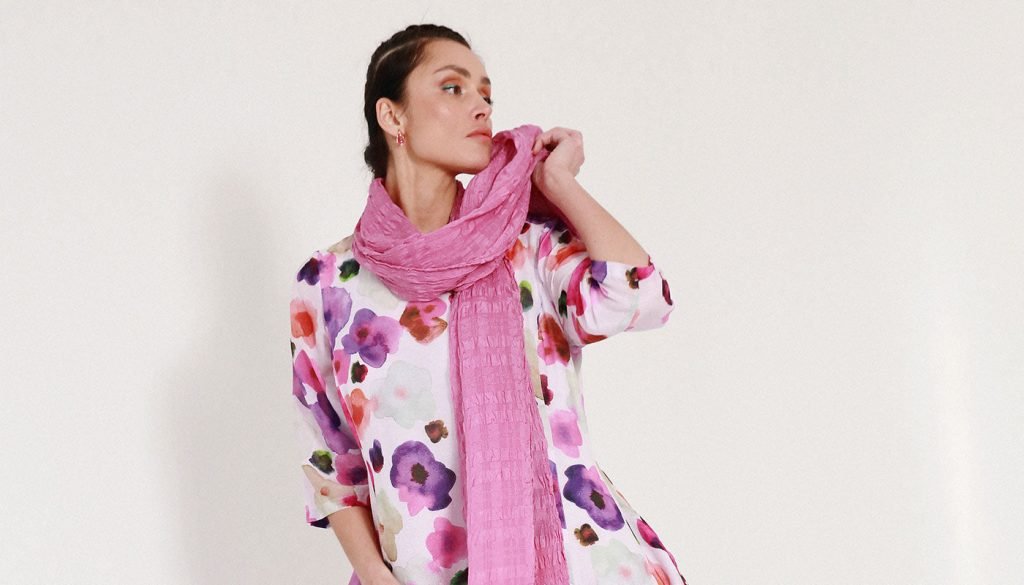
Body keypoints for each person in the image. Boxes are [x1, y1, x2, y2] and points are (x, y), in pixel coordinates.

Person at [288, 23, 687, 585]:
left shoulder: (524, 248)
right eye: (453, 87)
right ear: (392, 116)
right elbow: (333, 460)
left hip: (574, 563)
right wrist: (374, 575)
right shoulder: (330, 283)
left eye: (486, 94)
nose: (481, 106)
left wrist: (560, 184)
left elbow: (639, 296)